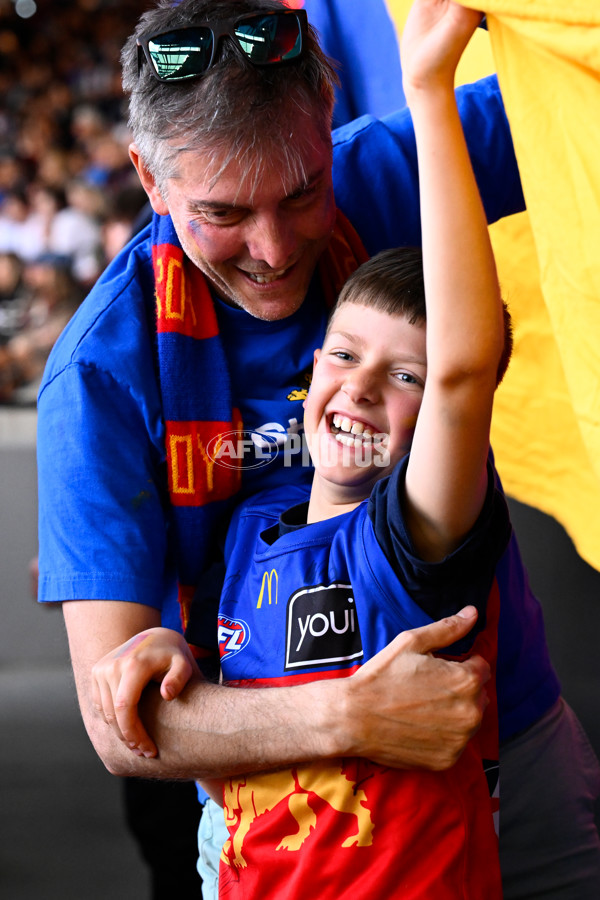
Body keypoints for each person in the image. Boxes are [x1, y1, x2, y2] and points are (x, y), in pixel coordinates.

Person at [36, 0, 600, 896]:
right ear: (149, 178)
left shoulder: (380, 168)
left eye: (303, 192)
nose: (274, 249)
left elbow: (573, 92)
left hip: (513, 749)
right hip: (289, 827)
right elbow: (123, 727)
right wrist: (356, 717)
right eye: (223, 212)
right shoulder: (102, 375)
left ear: (324, 132)